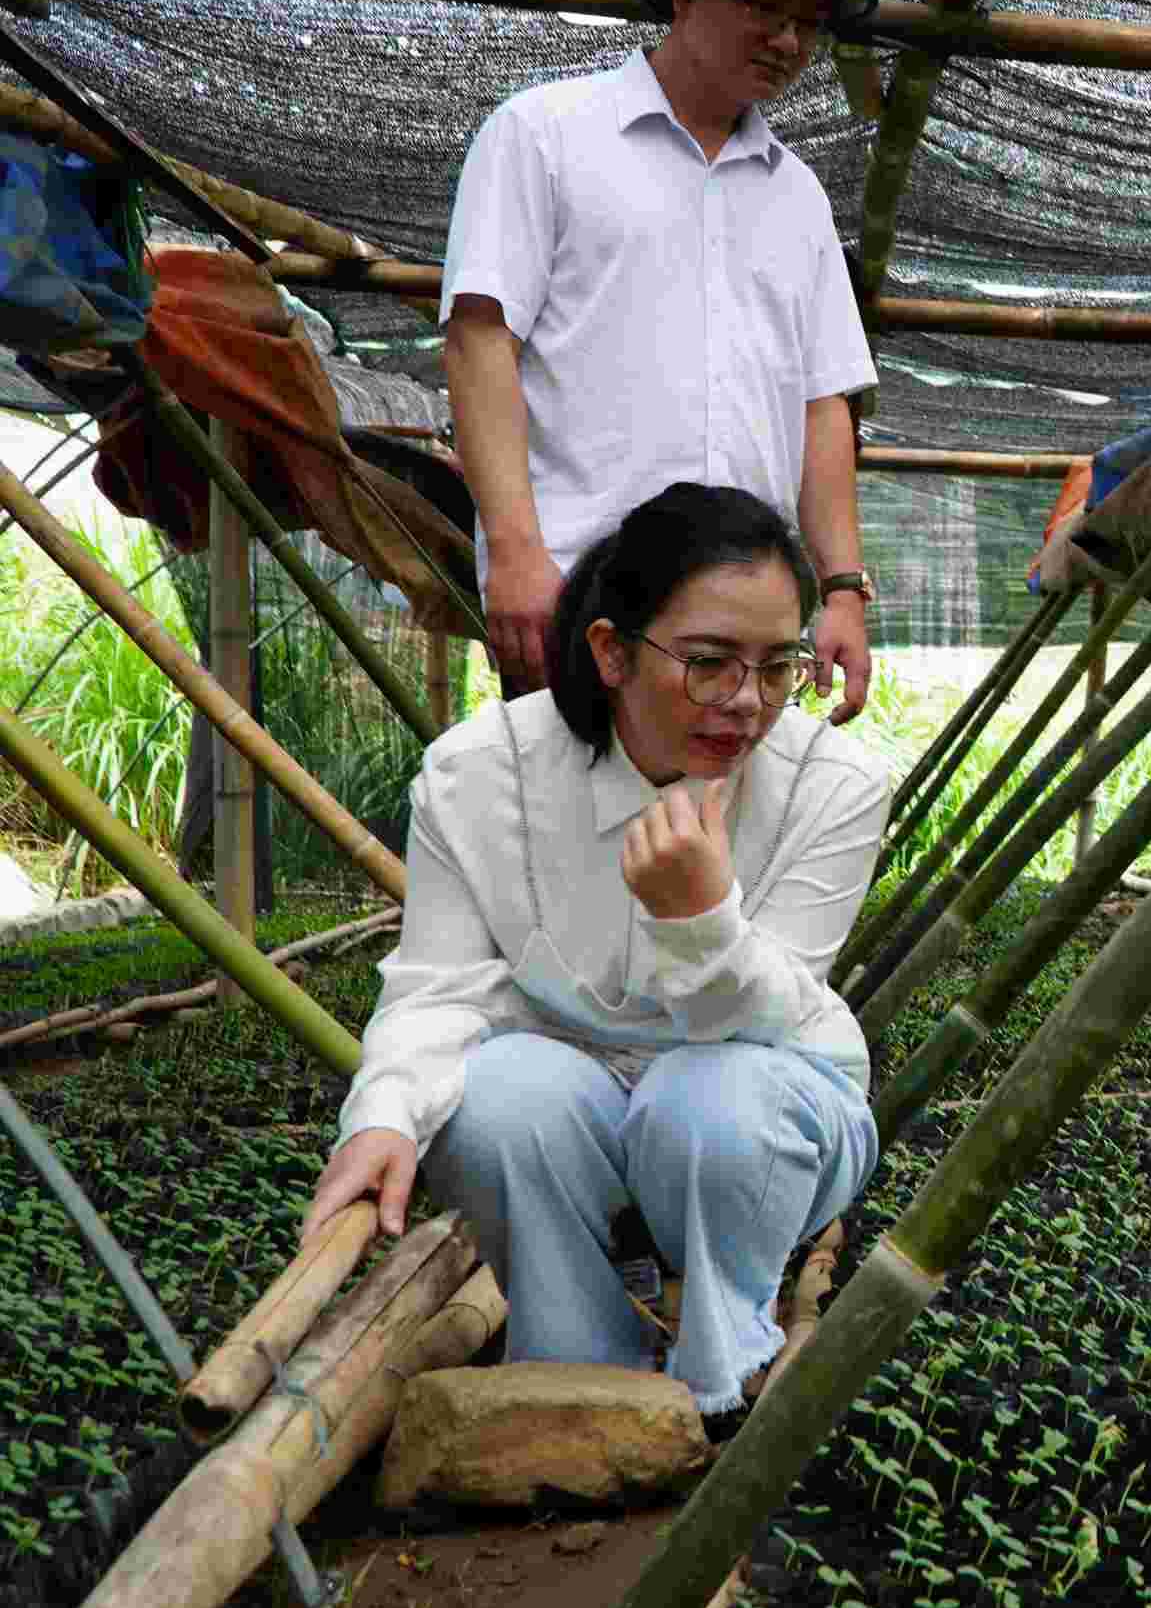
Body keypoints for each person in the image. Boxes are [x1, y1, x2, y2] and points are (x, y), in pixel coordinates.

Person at [301, 483, 889, 1421]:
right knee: (495, 1098)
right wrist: (382, 1116)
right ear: (612, 651)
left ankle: (721, 1365)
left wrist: (700, 921)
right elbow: (438, 989)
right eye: (707, 664)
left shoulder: (835, 786)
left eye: (778, 666)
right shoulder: (479, 774)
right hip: (574, 1107)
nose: (746, 703)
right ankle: (568, 1364)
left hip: (763, 1096)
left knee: (708, 1102)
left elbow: (773, 1017)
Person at [441, 0, 884, 722]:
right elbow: (478, 340)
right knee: (573, 842)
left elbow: (824, 403)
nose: (788, 40)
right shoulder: (545, 135)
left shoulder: (798, 199)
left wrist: (840, 592)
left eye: (808, 21)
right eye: (766, 6)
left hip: (750, 630)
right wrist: (518, 554)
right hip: (585, 599)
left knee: (719, 850)